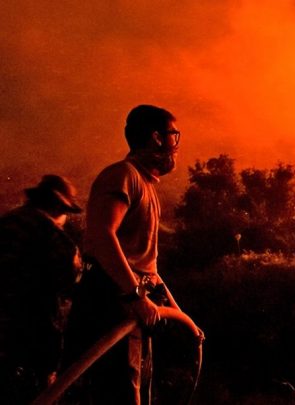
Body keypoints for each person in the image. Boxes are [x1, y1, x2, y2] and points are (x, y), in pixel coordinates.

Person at [64, 104, 184, 404]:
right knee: (117, 392)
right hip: (111, 303)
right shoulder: (122, 176)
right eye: (174, 136)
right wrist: (135, 297)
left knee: (135, 387)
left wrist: (177, 311)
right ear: (157, 138)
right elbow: (102, 236)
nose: (176, 145)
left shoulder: (144, 184)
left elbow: (143, 261)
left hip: (130, 302)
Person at [0, 174, 83, 404]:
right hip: (32, 340)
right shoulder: (56, 240)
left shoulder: (6, 223)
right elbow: (69, 284)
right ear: (59, 207)